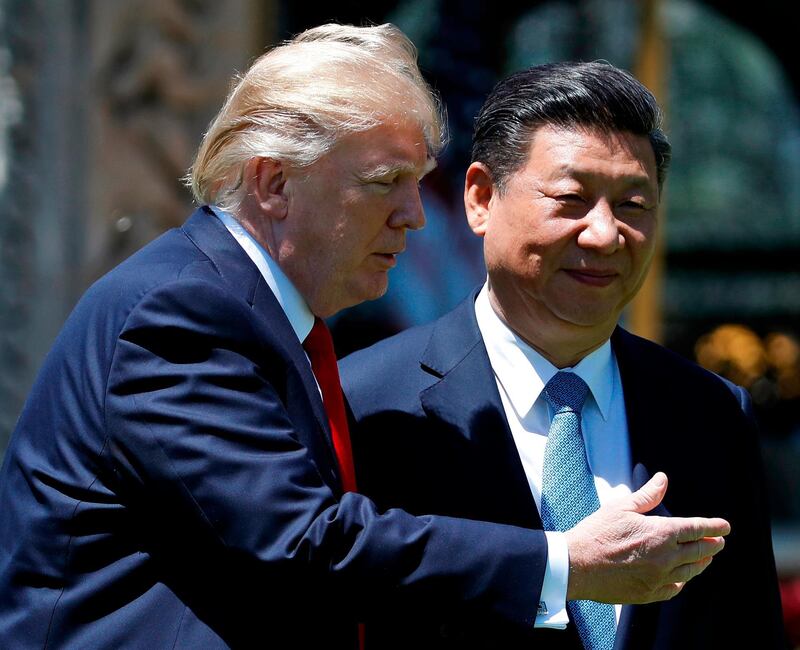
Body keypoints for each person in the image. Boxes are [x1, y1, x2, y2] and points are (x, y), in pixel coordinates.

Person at [1, 25, 594, 649]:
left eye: (416, 181)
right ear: (273, 184)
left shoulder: (252, 313)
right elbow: (303, 542)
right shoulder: (181, 312)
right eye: (383, 180)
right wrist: (564, 564)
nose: (414, 215)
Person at [341, 61, 787, 649]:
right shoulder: (367, 403)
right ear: (479, 198)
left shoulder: (710, 413)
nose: (604, 234)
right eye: (571, 198)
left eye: (633, 205)